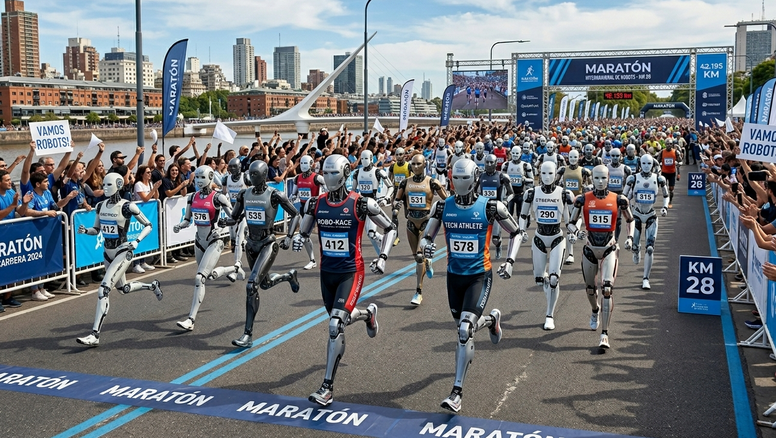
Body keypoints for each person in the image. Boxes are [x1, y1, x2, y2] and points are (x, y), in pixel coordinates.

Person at [292, 154, 397, 407]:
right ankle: (368, 314)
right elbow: (304, 231)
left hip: (351, 272)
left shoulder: (361, 204)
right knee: (338, 319)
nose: (328, 178)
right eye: (324, 173)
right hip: (327, 274)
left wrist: (382, 256)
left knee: (334, 324)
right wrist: (298, 237)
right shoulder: (316, 204)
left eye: (333, 173)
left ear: (345, 174)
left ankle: (327, 387)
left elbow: (390, 227)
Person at [419, 158, 522, 413]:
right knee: (464, 329)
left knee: (464, 331)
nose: (460, 183)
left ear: (475, 178)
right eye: (456, 178)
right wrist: (426, 248)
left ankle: (456, 392)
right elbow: (425, 239)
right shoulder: (443, 207)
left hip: (479, 275)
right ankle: (492, 320)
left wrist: (509, 261)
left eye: (465, 178)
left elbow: (516, 232)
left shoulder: (490, 207)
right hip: (454, 277)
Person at [76, 173, 163, 347]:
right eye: (104, 184)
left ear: (118, 185)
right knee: (123, 288)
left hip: (123, 251)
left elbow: (149, 225)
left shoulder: (127, 206)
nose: (105, 188)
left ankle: (95, 335)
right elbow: (96, 229)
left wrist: (136, 241)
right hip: (107, 253)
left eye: (109, 185)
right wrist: (86, 231)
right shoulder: (100, 206)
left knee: (103, 290)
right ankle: (151, 285)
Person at [222, 160, 301, 348]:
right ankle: (289, 276)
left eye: (255, 174)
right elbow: (235, 217)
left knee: (251, 286)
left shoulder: (275, 195)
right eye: (250, 173)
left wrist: (289, 236)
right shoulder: (244, 194)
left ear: (264, 175)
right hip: (251, 244)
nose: (251, 177)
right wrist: (226, 223)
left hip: (268, 243)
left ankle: (247, 335)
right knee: (263, 284)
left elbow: (296, 214)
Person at [568, 165, 633, 349]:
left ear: (609, 178)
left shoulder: (619, 199)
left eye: (603, 178)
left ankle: (604, 334)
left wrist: (629, 237)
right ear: (592, 179)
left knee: (606, 288)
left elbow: (630, 219)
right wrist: (576, 232)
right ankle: (595, 310)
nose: (600, 181)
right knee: (590, 289)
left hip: (609, 249)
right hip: (589, 248)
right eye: (596, 178)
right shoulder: (583, 199)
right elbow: (571, 223)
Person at [174, 166, 242, 332]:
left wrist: (226, 222)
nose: (198, 181)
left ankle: (191, 320)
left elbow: (235, 217)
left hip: (214, 240)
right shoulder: (192, 197)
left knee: (199, 278)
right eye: (196, 178)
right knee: (207, 277)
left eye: (200, 177)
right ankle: (234, 268)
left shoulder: (218, 197)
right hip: (199, 241)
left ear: (210, 177)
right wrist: (180, 226)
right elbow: (187, 219)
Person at [519, 161, 575, 330]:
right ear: (539, 173)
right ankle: (548, 286)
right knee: (539, 279)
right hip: (539, 237)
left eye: (551, 173)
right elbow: (523, 214)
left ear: (556, 173)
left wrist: (574, 230)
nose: (548, 177)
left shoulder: (564, 193)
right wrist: (521, 230)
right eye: (544, 173)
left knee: (553, 278)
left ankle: (549, 314)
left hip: (557, 237)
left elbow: (574, 216)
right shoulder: (531, 193)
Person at [393, 154, 448, 305]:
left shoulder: (432, 182)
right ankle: (428, 261)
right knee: (416, 257)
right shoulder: (405, 183)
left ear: (425, 164)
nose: (416, 167)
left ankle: (418, 292)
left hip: (426, 222)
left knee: (419, 256)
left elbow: (447, 200)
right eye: (413, 164)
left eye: (419, 164)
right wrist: (396, 207)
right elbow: (396, 200)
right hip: (411, 222)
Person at [623, 155, 669, 290]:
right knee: (636, 245)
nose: (646, 166)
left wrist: (665, 207)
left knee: (650, 248)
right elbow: (625, 195)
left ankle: (646, 278)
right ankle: (636, 250)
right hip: (636, 214)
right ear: (640, 163)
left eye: (649, 163)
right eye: (644, 163)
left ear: (653, 164)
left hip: (651, 215)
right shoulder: (633, 178)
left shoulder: (659, 179)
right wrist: (625, 205)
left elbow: (666, 196)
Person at [352, 150, 393, 256]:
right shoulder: (357, 173)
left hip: (373, 204)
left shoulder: (378, 172)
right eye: (362, 158)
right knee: (365, 234)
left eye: (367, 158)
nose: (364, 160)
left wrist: (386, 198)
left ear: (371, 159)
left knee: (371, 233)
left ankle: (382, 251)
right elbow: (353, 190)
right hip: (361, 204)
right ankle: (383, 243)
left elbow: (390, 186)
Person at [290, 155, 325, 270]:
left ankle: (326, 258)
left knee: (324, 234)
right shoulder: (297, 178)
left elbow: (328, 189)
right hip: (304, 209)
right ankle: (312, 260)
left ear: (311, 164)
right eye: (302, 163)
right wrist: (290, 199)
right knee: (304, 234)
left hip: (318, 208)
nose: (304, 166)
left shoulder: (317, 178)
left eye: (306, 163)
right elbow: (294, 194)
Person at [556, 149, 591, 265]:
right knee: (567, 225)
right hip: (566, 200)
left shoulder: (584, 171)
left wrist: (586, 189)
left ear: (579, 157)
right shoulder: (562, 170)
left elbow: (590, 185)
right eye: (570, 156)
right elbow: (554, 183)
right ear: (567, 157)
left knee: (577, 219)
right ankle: (570, 254)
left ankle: (575, 233)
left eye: (575, 157)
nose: (572, 159)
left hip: (579, 200)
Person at [477, 154, 514, 260]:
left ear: (496, 163)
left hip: (497, 208)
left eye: (491, 162)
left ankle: (498, 246)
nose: (489, 164)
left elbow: (511, 193)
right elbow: (474, 191)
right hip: (483, 208)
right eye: (487, 162)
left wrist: (506, 201)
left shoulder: (502, 176)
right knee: (481, 235)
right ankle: (482, 254)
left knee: (496, 237)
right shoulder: (481, 176)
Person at [221, 158, 250, 275]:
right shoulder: (225, 179)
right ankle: (246, 244)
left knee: (238, 237)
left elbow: (253, 191)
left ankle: (237, 266)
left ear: (239, 167)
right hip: (233, 212)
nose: (232, 169)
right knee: (233, 238)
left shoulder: (246, 178)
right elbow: (223, 194)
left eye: (235, 167)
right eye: (230, 167)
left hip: (245, 211)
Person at [606, 148, 633, 242]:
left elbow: (630, 184)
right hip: (608, 195)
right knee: (608, 218)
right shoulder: (606, 168)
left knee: (618, 219)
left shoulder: (626, 169)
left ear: (620, 156)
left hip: (620, 196)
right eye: (613, 156)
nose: (615, 158)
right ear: (610, 156)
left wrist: (628, 197)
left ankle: (616, 239)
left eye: (617, 156)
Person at [503, 145, 534, 221]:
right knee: (508, 214)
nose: (515, 155)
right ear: (511, 153)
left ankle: (520, 229)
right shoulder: (506, 165)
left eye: (517, 153)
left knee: (520, 214)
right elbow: (501, 179)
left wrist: (525, 180)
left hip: (521, 194)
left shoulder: (525, 165)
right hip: (510, 194)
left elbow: (532, 180)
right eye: (513, 153)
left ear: (520, 153)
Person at [388, 147, 410, 246]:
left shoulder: (408, 166)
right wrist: (391, 194)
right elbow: (389, 180)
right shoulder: (392, 167)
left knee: (408, 215)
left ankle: (414, 235)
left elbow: (413, 179)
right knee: (394, 214)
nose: (398, 156)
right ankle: (395, 237)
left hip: (407, 192)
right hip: (397, 192)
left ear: (404, 155)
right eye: (396, 154)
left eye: (400, 154)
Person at [656, 140, 682, 208]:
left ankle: (670, 201)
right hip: (664, 172)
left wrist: (678, 173)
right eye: (667, 144)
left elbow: (680, 162)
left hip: (672, 173)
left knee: (671, 189)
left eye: (670, 144)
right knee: (664, 188)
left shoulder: (675, 152)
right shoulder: (662, 152)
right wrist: (658, 169)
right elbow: (657, 162)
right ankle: (665, 201)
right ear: (665, 144)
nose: (669, 145)